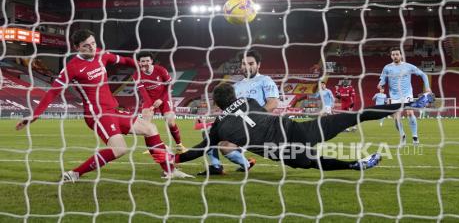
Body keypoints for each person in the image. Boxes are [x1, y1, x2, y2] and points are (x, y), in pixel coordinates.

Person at [15, 29, 192, 181]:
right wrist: (35, 115)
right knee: (120, 149)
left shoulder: (101, 54)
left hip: (113, 110)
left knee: (150, 128)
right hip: (97, 115)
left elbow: (123, 61)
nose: (92, 47)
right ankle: (74, 174)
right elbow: (53, 92)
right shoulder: (72, 68)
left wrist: (138, 64)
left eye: (93, 43)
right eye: (86, 45)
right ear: (77, 47)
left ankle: (170, 171)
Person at [152, 83, 435, 172]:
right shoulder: (249, 99)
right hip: (296, 130)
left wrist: (171, 157)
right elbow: (257, 113)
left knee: (315, 163)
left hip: (279, 152)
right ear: (235, 96)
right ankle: (410, 103)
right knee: (354, 117)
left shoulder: (217, 129)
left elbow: (195, 152)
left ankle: (354, 166)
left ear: (215, 104)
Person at [199, 50, 279, 175]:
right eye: (244, 64)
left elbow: (273, 103)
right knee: (208, 132)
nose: (247, 67)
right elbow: (228, 110)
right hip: (238, 125)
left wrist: (254, 118)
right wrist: (208, 119)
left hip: (256, 126)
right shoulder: (236, 86)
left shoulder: (265, 80)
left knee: (221, 143)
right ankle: (217, 167)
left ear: (258, 65)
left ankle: (244, 162)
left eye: (251, 63)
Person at [133, 52, 187, 154]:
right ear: (139, 63)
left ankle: (179, 145)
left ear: (151, 61)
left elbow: (169, 85)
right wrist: (151, 105)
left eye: (148, 60)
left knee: (170, 121)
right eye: (143, 61)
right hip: (149, 100)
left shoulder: (160, 70)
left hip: (164, 97)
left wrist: (161, 99)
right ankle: (151, 148)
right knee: (146, 123)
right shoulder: (137, 75)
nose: (145, 63)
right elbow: (143, 93)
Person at [377, 47, 432, 145]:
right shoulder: (387, 68)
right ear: (391, 56)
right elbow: (382, 80)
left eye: (397, 54)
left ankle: (415, 137)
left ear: (401, 55)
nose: (395, 56)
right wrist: (380, 85)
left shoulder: (409, 66)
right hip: (394, 95)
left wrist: (427, 88)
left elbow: (423, 75)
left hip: (407, 93)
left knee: (410, 113)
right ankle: (402, 136)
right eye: (393, 54)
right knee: (397, 117)